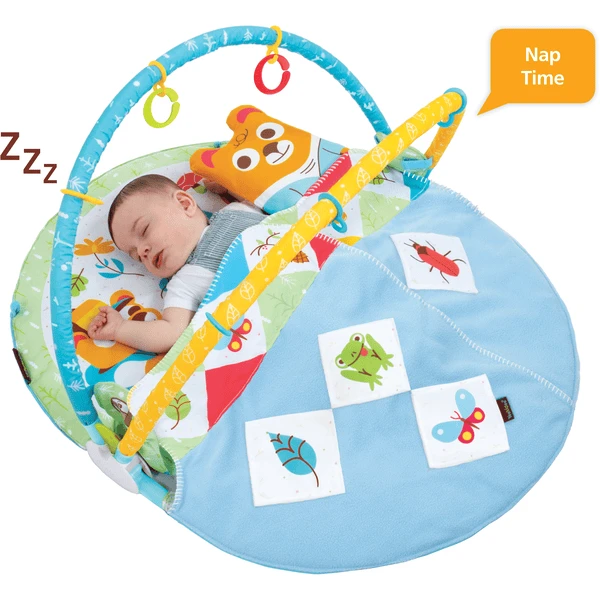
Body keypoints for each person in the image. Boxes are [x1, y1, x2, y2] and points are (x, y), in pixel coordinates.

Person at [87, 174, 265, 353]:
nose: (142, 251)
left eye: (144, 230)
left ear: (185, 204)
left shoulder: (237, 210)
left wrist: (226, 184)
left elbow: (270, 191)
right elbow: (170, 333)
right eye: (137, 257)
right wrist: (119, 329)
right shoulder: (184, 283)